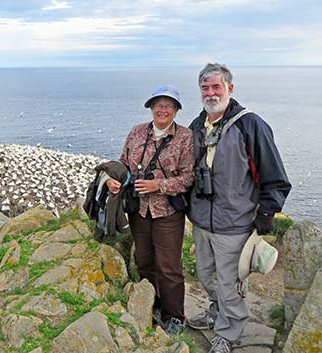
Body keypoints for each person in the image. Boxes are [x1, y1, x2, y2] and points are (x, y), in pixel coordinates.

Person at [186, 63, 291, 353]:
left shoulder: (250, 124)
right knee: (207, 275)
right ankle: (216, 312)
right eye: (205, 88)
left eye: (216, 87)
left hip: (235, 222)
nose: (210, 93)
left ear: (230, 89)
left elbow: (275, 175)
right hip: (202, 221)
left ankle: (228, 332)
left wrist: (267, 212)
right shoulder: (197, 126)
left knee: (229, 282)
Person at [107, 84, 194, 335]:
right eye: (158, 105)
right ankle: (152, 302)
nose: (163, 110)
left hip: (167, 212)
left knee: (170, 266)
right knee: (144, 260)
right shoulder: (136, 133)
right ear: (151, 108)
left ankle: (175, 315)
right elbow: (123, 164)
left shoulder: (185, 137)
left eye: (168, 105)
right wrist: (114, 181)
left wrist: (160, 185)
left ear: (176, 110)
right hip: (139, 211)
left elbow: (188, 178)